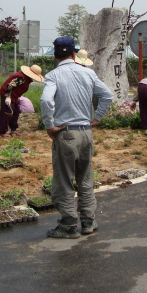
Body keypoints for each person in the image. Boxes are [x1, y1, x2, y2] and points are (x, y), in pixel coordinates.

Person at [40, 37, 113, 239]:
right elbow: (107, 95)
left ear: (55, 55)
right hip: (85, 132)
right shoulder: (88, 73)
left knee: (64, 181)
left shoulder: (53, 75)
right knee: (85, 177)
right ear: (74, 54)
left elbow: (46, 100)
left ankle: (69, 225)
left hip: (66, 133)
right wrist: (97, 117)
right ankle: (88, 221)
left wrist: (49, 125)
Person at [0, 64, 44, 137]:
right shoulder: (21, 78)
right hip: (7, 94)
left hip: (15, 96)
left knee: (16, 111)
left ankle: (13, 130)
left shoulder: (26, 79)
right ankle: (3, 131)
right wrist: (7, 97)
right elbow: (9, 85)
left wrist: (17, 97)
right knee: (7, 112)